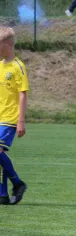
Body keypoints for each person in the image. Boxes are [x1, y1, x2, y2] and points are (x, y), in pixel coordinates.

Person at [0, 27, 29, 205]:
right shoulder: (0, 64)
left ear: (9, 44)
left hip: (10, 117)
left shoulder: (18, 66)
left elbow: (22, 94)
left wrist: (21, 120)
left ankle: (18, 183)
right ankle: (2, 194)